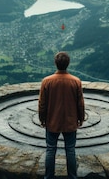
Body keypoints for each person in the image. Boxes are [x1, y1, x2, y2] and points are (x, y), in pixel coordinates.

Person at [38, 51, 85, 179]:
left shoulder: (46, 81)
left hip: (52, 121)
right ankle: (72, 177)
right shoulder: (76, 81)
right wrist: (81, 118)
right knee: (70, 150)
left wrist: (42, 119)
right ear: (68, 64)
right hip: (70, 122)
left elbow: (42, 103)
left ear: (55, 63)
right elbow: (80, 103)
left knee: (50, 149)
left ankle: (48, 177)